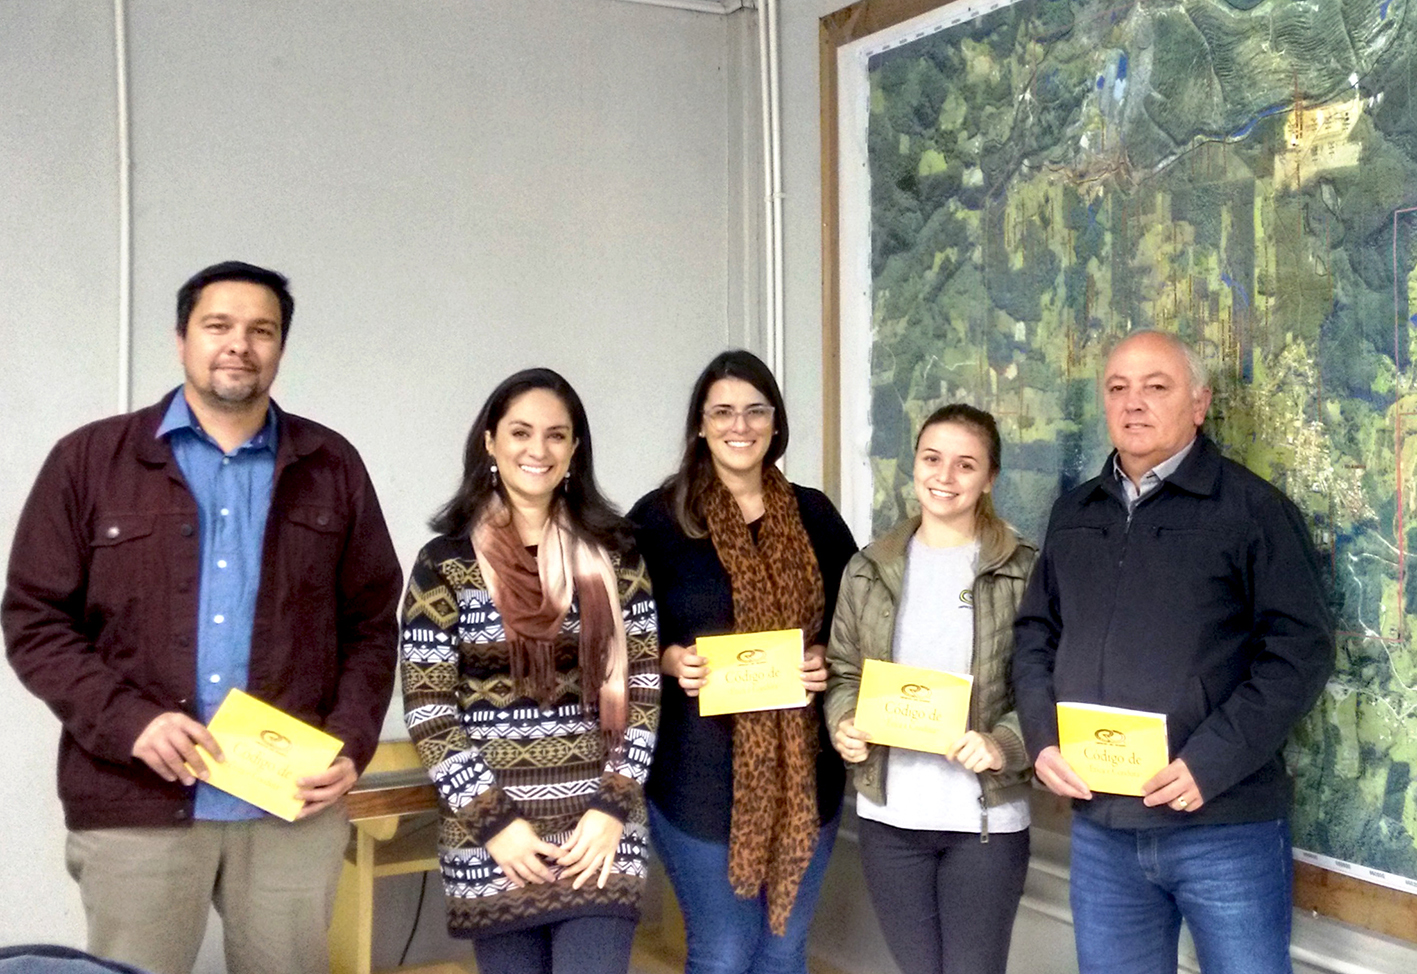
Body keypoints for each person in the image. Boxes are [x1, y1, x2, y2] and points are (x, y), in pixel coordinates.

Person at [2, 261, 402, 974]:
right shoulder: (89, 461)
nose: (238, 344)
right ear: (181, 338)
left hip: (289, 806)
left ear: (280, 347)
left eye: (261, 330)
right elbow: (35, 620)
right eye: (218, 325)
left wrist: (348, 743)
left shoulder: (330, 464)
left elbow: (371, 624)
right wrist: (130, 721)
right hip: (135, 802)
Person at [1012, 330, 1335, 974]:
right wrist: (1042, 740)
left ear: (1199, 404)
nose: (1133, 402)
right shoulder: (1074, 513)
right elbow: (1034, 636)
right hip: (1102, 829)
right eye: (1118, 388)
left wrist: (1209, 763)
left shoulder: (1254, 511)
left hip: (1223, 826)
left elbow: (1299, 652)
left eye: (1156, 386)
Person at [399, 368, 660, 974]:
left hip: (601, 836)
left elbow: (643, 693)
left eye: (555, 435)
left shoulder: (620, 557)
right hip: (494, 843)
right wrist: (495, 824)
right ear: (490, 442)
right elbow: (429, 711)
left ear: (574, 450)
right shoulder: (445, 564)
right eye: (520, 432)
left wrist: (612, 808)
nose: (537, 449)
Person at [628, 350, 857, 974]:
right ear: (700, 424)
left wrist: (825, 656)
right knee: (724, 951)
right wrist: (669, 659)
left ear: (775, 423)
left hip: (804, 774)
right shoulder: (659, 519)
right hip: (695, 774)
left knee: (783, 951)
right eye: (723, 411)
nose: (740, 425)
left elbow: (858, 623)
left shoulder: (814, 515)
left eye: (756, 410)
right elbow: (612, 630)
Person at [826, 403, 1036, 974]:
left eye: (966, 465)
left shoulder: (1025, 570)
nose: (945, 476)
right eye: (931, 459)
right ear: (914, 465)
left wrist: (1003, 743)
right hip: (891, 819)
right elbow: (844, 671)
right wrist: (844, 722)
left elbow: (1048, 683)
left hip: (984, 823)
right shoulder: (868, 568)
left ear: (989, 478)